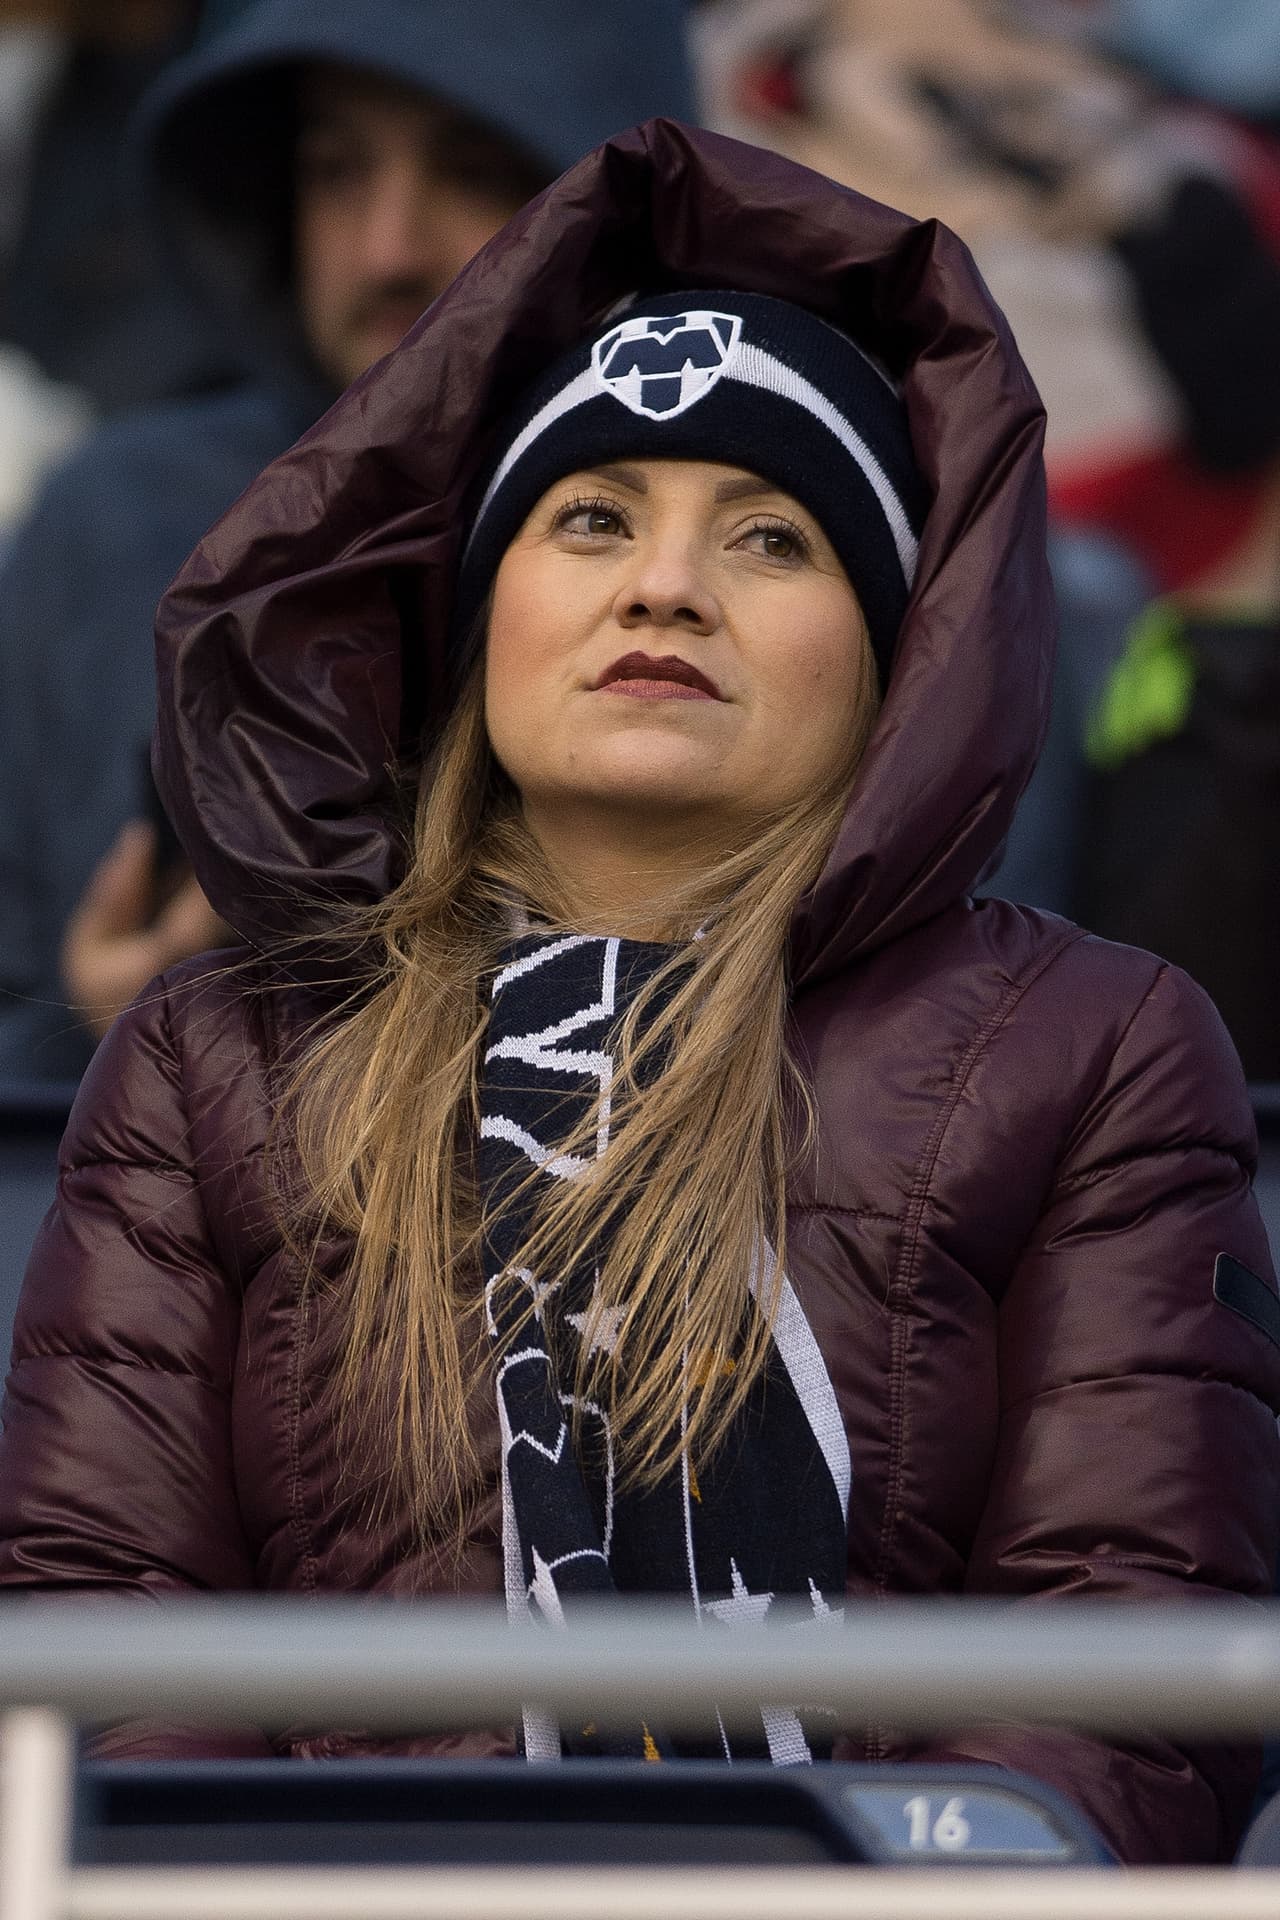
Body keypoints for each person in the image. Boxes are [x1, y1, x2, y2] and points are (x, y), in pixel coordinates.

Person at [2, 118, 1279, 1864]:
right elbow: (102, 1613)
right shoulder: (218, 1058)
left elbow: (1129, 1627)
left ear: (899, 667)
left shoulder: (1093, 1051)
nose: (664, 585)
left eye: (772, 540)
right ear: (479, 620)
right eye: (592, 517)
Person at [0, 0, 694, 1080]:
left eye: (471, 169)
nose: (388, 247)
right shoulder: (116, 519)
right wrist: (97, 1031)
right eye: (335, 171)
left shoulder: (738, 559)